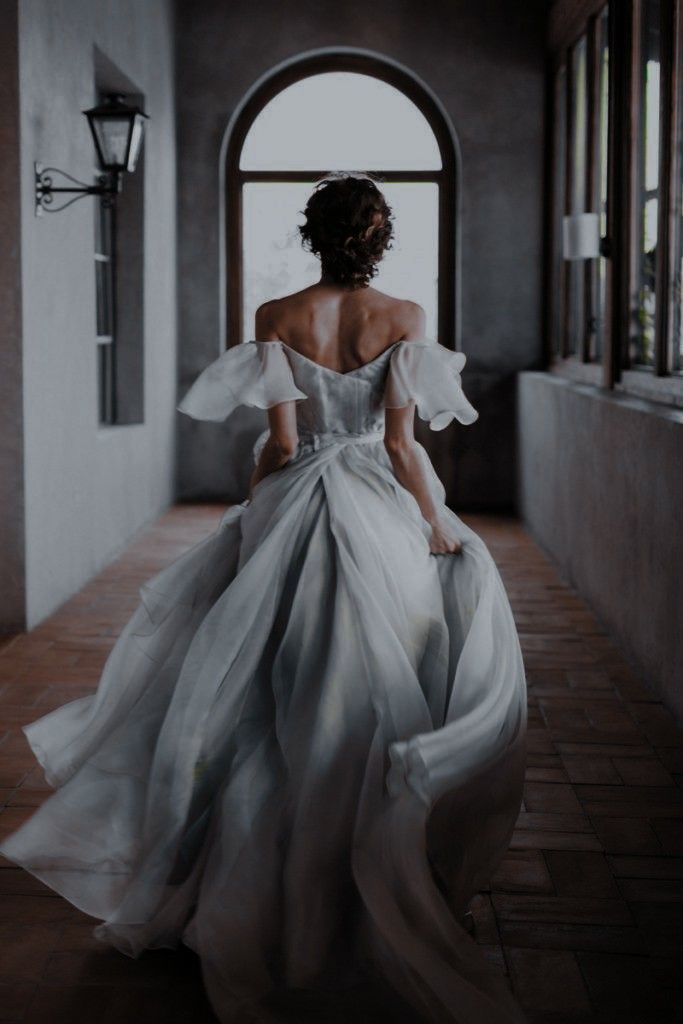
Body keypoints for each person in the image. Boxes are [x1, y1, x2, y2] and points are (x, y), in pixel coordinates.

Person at [0, 173, 528, 1024]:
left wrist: (254, 509)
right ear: (376, 236)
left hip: (299, 500)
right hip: (373, 498)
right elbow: (399, 443)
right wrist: (432, 522)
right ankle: (363, 853)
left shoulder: (276, 316)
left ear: (314, 233)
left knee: (257, 680)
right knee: (375, 669)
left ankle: (247, 867)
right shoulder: (404, 319)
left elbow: (282, 444)